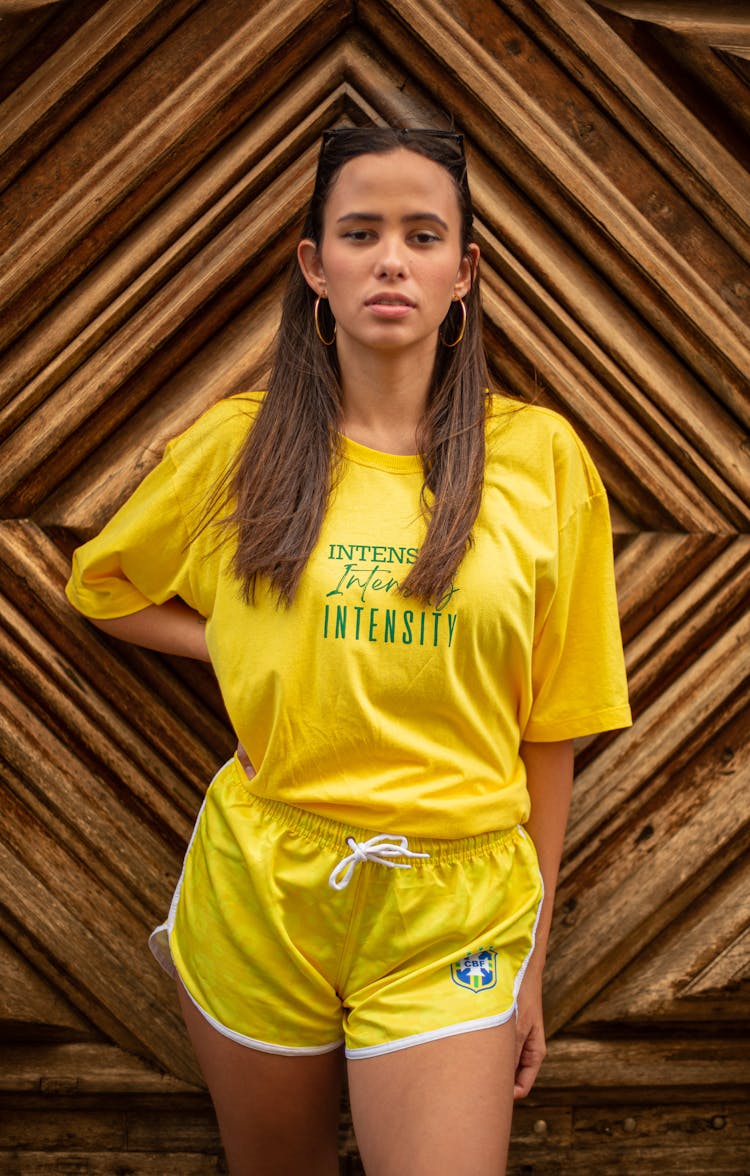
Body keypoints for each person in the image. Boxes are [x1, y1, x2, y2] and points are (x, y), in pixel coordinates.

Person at [65, 126, 631, 1175]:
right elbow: (102, 590)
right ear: (312, 265)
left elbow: (556, 724)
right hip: (265, 885)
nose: (389, 259)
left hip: (455, 905)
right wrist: (238, 642)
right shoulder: (241, 445)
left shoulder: (542, 459)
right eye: (359, 231)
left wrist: (532, 967)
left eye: (423, 235)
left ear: (464, 274)